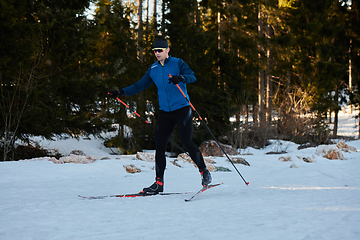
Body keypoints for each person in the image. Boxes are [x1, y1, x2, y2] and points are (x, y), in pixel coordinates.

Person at [108, 38, 211, 194]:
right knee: (160, 145)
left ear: (167, 50)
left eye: (160, 50)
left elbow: (192, 76)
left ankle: (204, 172)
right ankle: (159, 183)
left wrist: (181, 78)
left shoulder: (178, 63)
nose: (157, 53)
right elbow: (139, 85)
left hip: (182, 108)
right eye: (155, 50)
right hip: (165, 112)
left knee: (186, 140)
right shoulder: (153, 69)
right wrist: (121, 92)